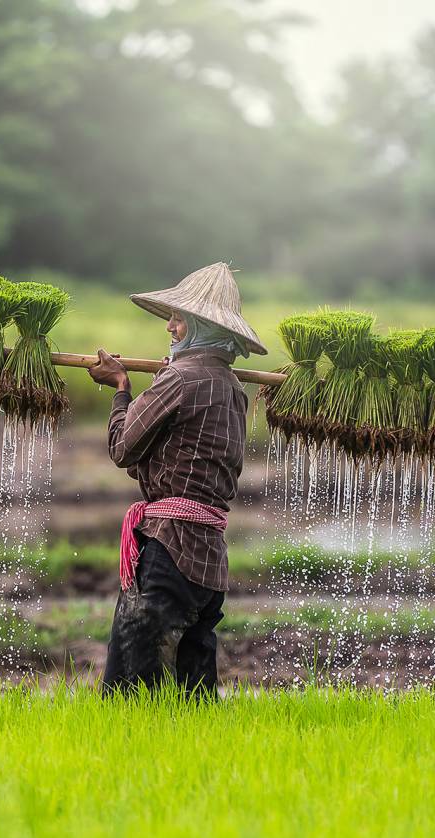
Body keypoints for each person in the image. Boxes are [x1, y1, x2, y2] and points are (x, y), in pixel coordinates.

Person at [86, 262, 267, 695]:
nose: (169, 326)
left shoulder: (180, 380)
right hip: (208, 561)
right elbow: (173, 457)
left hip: (170, 549)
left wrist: (121, 387)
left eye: (178, 319)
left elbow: (122, 449)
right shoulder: (231, 388)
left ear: (200, 326)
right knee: (193, 691)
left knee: (130, 685)